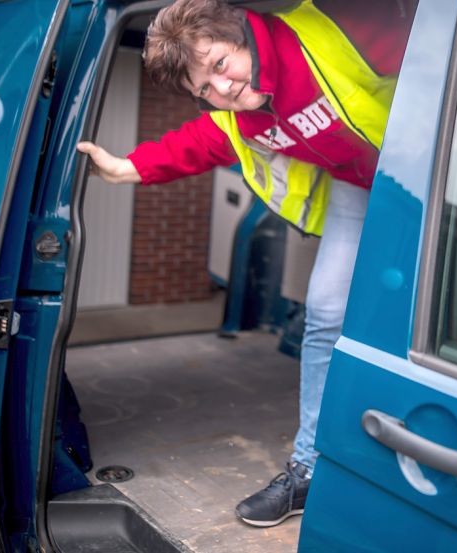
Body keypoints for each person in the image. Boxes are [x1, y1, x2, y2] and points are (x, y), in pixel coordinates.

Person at [77, 0, 415, 528]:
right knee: (325, 311)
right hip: (362, 190)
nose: (222, 89)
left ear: (239, 32)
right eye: (203, 90)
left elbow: (439, 64)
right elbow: (197, 143)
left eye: (219, 64)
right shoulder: (241, 117)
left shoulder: (331, 28)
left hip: (434, 175)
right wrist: (124, 168)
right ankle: (309, 468)